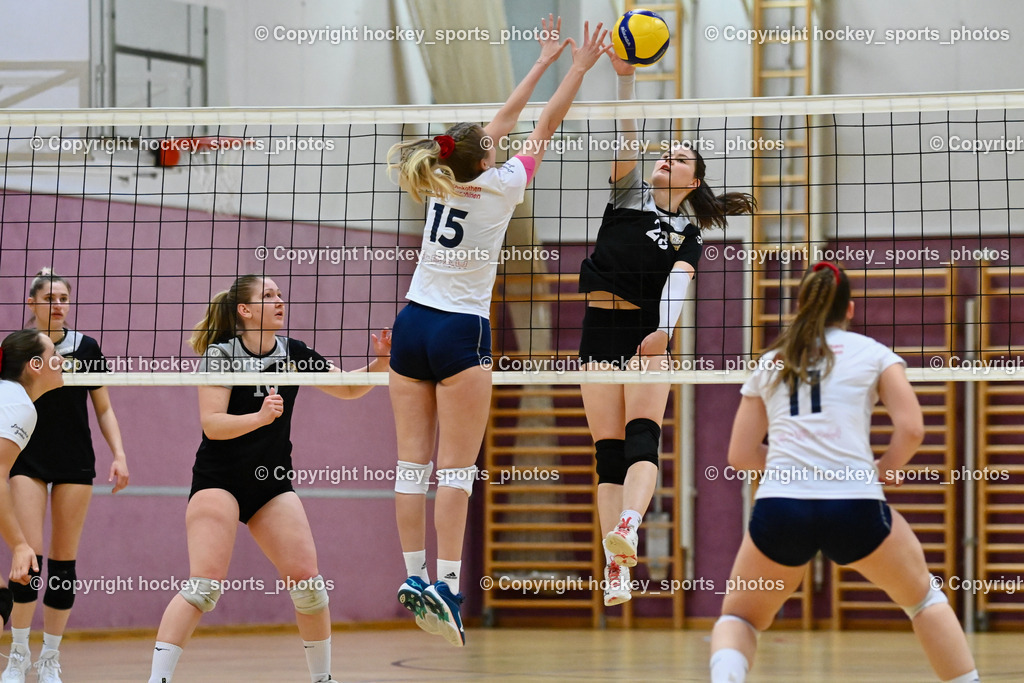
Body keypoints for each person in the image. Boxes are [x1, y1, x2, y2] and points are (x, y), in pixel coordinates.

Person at [385, 17, 610, 647]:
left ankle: (413, 576)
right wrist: (575, 67)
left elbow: (499, 125)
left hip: (412, 325)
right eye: (494, 145)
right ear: (487, 155)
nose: (501, 145)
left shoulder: (437, 180)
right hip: (460, 333)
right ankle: (451, 589)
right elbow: (542, 126)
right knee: (456, 470)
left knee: (411, 466)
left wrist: (536, 64)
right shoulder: (505, 186)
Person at [709, 262, 979, 683]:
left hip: (782, 509)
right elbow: (912, 429)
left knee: (739, 619)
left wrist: (790, 468)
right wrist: (884, 469)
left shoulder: (772, 362)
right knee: (924, 600)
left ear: (799, 306)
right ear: (849, 309)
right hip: (854, 505)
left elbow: (740, 455)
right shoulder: (874, 354)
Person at [147, 275, 390, 683]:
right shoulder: (221, 355)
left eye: (279, 295)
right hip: (218, 481)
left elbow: (347, 387)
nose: (280, 301)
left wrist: (380, 361)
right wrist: (259, 417)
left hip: (271, 485)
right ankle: (158, 680)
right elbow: (212, 425)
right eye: (268, 296)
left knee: (310, 587)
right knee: (203, 588)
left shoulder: (293, 352)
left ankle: (322, 679)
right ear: (244, 310)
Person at [579, 52, 755, 606]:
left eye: (678, 159)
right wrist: (625, 82)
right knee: (607, 452)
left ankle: (629, 525)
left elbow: (680, 281)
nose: (665, 159)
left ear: (694, 179)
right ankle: (617, 567)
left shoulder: (689, 230)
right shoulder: (626, 194)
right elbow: (627, 134)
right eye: (666, 154)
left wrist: (661, 331)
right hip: (597, 330)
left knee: (640, 437)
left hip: (646, 335)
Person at [1, 270, 130, 683]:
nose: (59, 305)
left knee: (63, 563)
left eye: (64, 298)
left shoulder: (85, 348)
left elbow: (104, 408)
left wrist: (120, 454)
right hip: (26, 457)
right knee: (28, 560)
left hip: (74, 459)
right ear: (32, 304)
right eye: (50, 297)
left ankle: (50, 657)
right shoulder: (19, 351)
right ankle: (17, 655)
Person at [0, 330, 65, 620]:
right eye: (54, 355)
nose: (62, 360)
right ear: (36, 365)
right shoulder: (18, 405)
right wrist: (19, 545)